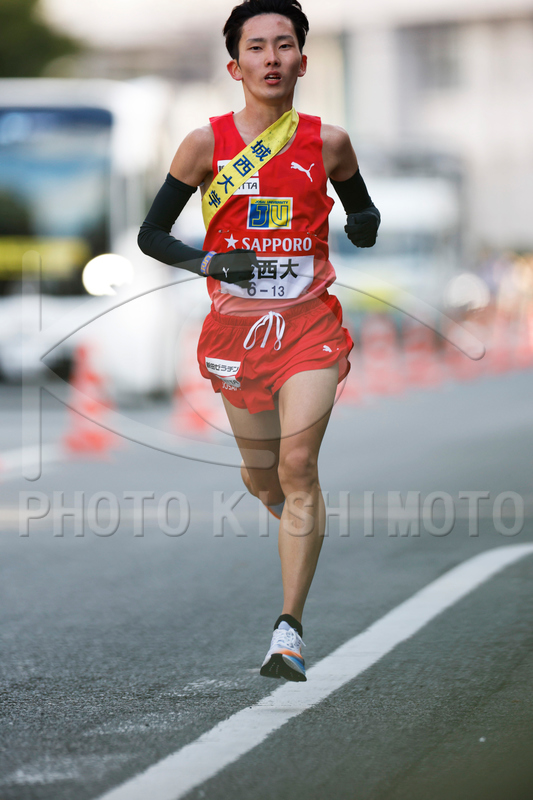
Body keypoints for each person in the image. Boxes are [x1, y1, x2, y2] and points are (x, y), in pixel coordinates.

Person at [138, 0, 380, 682]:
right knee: (263, 475)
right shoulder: (204, 144)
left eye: (283, 45)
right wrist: (211, 262)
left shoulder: (329, 143)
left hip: (310, 327)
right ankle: (295, 516)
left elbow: (361, 209)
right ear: (234, 65)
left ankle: (288, 630)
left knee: (298, 466)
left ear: (302, 61)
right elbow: (151, 235)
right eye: (256, 47)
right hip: (236, 333)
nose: (271, 58)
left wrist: (363, 223)